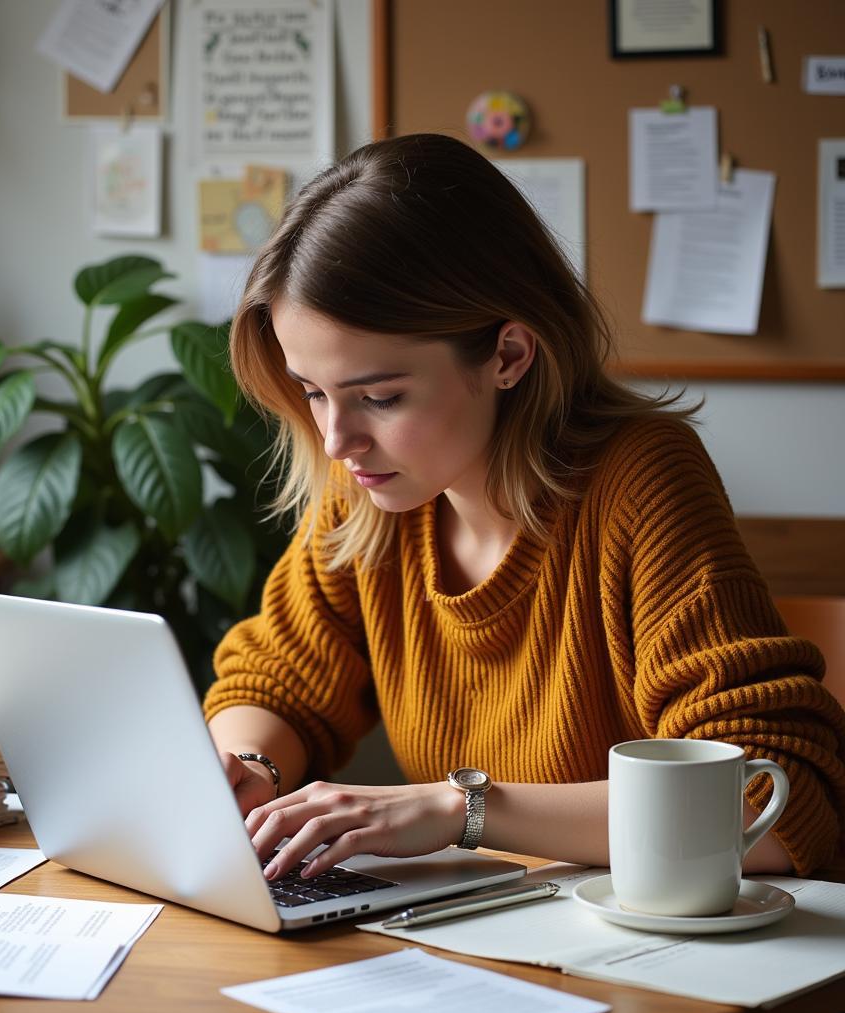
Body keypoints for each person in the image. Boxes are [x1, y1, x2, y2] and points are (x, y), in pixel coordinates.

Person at [204, 133, 845, 884]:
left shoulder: (641, 481)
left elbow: (770, 808)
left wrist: (460, 809)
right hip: (499, 931)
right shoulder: (371, 495)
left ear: (509, 354)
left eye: (380, 396)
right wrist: (248, 767)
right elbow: (275, 679)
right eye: (313, 392)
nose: (337, 438)